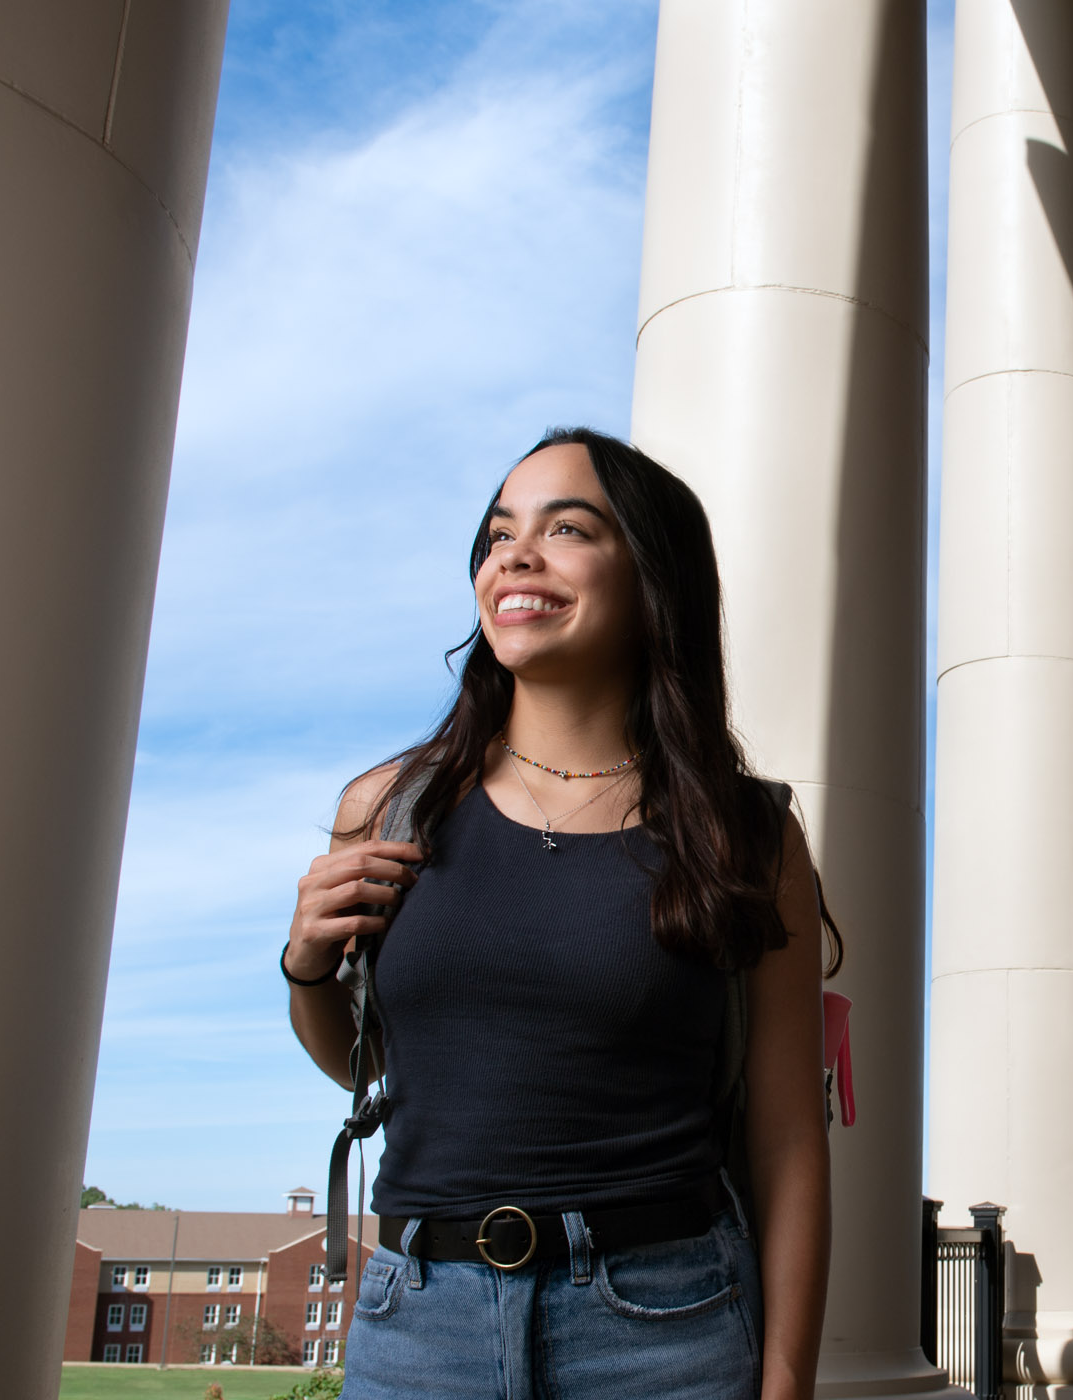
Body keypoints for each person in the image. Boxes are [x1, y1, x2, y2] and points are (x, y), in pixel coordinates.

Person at [281, 427, 832, 1399]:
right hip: (419, 1328)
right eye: (498, 534)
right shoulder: (386, 804)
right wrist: (307, 966)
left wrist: (785, 1383)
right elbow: (368, 1064)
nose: (515, 556)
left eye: (566, 527)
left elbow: (789, 1141)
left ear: (652, 575)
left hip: (662, 1327)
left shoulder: (747, 833)